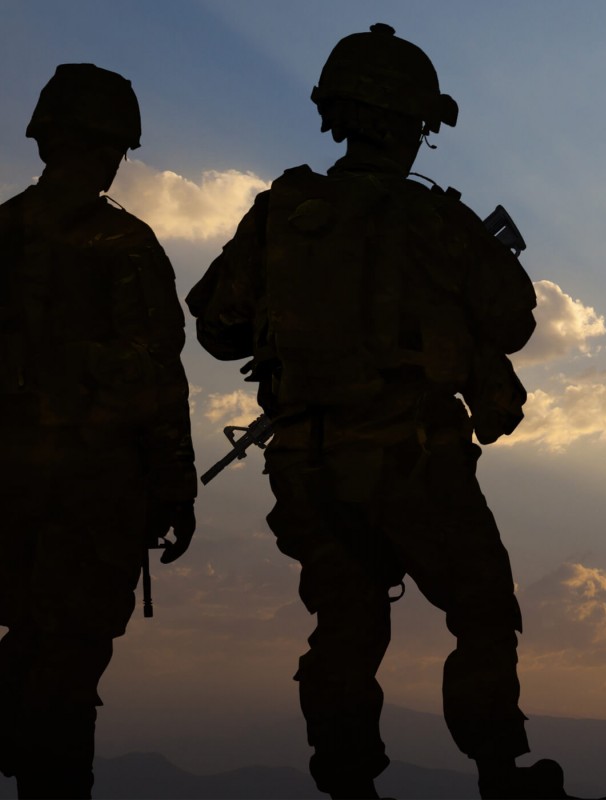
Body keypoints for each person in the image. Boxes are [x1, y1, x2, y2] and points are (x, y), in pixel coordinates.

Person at [185, 25, 558, 799]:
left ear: (339, 114)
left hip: (308, 465)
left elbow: (216, 329)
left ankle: (348, 785)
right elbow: (515, 321)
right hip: (414, 458)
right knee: (483, 612)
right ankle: (499, 773)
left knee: (346, 631)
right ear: (413, 124)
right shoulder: (438, 221)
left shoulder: (282, 211)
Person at [0, 64, 197, 799]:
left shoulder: (3, 234)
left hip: (11, 491)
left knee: (38, 635)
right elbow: (156, 378)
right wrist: (177, 490)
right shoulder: (125, 245)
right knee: (71, 660)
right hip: (92, 493)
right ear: (116, 146)